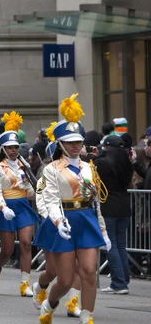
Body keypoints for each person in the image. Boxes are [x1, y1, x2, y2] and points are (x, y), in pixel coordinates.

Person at [38, 94, 111, 324]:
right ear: (60, 144)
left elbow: (96, 201)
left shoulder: (90, 168)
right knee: (66, 279)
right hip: (66, 221)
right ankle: (49, 303)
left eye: (78, 141)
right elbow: (50, 199)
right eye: (70, 142)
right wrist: (58, 222)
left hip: (86, 219)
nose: (75, 145)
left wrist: (104, 231)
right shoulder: (52, 169)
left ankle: (87, 316)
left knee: (89, 271)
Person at [0, 111, 39, 297]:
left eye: (16, 146)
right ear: (3, 149)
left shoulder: (24, 165)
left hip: (23, 205)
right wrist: (2, 207)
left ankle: (25, 283)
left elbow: (31, 193)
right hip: (6, 207)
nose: (14, 150)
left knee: (26, 244)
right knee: (7, 250)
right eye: (9, 147)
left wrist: (33, 189)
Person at [31, 133, 82, 318]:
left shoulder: (78, 170)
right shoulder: (48, 173)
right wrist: (53, 217)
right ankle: (40, 286)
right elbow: (41, 199)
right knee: (52, 271)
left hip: (75, 222)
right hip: (54, 225)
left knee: (78, 266)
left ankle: (73, 303)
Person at [96, 135, 133, 295]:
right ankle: (123, 279)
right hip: (124, 206)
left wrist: (92, 156)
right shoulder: (127, 163)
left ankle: (118, 282)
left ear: (106, 148)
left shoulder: (101, 163)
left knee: (111, 246)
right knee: (120, 245)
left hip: (109, 207)